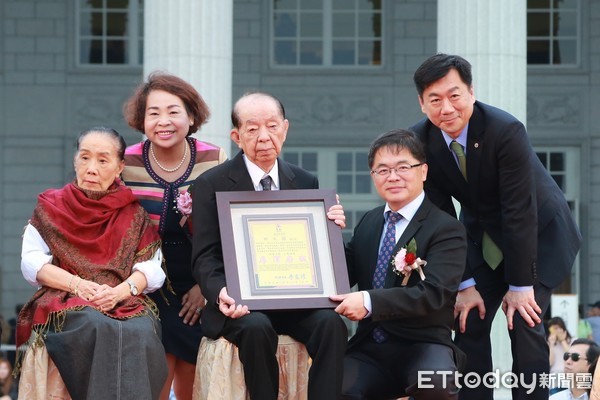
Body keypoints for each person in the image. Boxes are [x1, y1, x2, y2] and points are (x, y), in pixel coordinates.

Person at [410, 53, 582, 400]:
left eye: (454, 95)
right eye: (435, 99)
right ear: (422, 104)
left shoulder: (505, 130)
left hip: (539, 233)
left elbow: (520, 211)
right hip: (483, 236)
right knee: (468, 319)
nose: (447, 108)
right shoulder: (421, 141)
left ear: (471, 92)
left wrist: (520, 286)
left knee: (524, 323)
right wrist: (465, 283)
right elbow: (440, 215)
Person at [191, 91, 348, 400]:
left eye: (272, 126)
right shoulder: (211, 183)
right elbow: (204, 256)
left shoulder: (305, 181)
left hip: (294, 301)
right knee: (257, 327)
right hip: (240, 306)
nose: (264, 137)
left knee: (331, 324)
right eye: (252, 129)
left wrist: (330, 227)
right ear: (236, 136)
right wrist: (222, 292)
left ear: (285, 129)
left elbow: (314, 252)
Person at [17, 127, 168, 399]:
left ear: (120, 167)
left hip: (122, 296)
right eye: (85, 158)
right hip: (67, 296)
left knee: (142, 329)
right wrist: (79, 285)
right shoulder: (52, 206)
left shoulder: (134, 213)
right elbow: (32, 261)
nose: (91, 168)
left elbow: (152, 267)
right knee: (92, 323)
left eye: (102, 160)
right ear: (75, 160)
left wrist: (120, 292)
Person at [330, 129, 467, 399]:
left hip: (424, 344)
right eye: (382, 170)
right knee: (331, 384)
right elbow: (338, 273)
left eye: (403, 167)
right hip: (370, 347)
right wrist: (323, 229)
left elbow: (434, 294)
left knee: (435, 383)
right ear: (373, 177)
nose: (392, 177)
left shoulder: (446, 228)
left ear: (424, 171)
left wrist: (368, 302)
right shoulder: (368, 223)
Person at [121, 71, 227, 400]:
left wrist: (205, 286)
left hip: (200, 282)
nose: (163, 121)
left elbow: (229, 229)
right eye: (153, 113)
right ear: (141, 119)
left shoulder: (214, 159)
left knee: (193, 382)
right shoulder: (126, 162)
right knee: (155, 377)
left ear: (191, 116)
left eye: (173, 111)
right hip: (146, 285)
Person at [548, 317, 576, 395]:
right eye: (553, 329)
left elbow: (572, 356)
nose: (556, 332)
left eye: (557, 328)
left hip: (570, 378)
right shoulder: (549, 343)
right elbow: (550, 362)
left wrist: (563, 340)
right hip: (555, 379)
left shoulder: (573, 341)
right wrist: (551, 345)